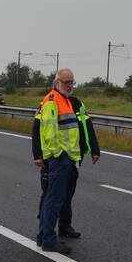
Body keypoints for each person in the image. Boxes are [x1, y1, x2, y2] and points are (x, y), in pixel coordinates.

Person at [32, 76, 100, 241]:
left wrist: (94, 149)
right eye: (66, 82)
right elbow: (39, 129)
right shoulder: (51, 102)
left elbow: (86, 126)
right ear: (57, 83)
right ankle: (45, 232)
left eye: (72, 82)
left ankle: (63, 226)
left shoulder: (74, 103)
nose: (70, 86)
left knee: (67, 192)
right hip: (57, 158)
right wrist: (38, 154)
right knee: (51, 195)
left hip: (72, 156)